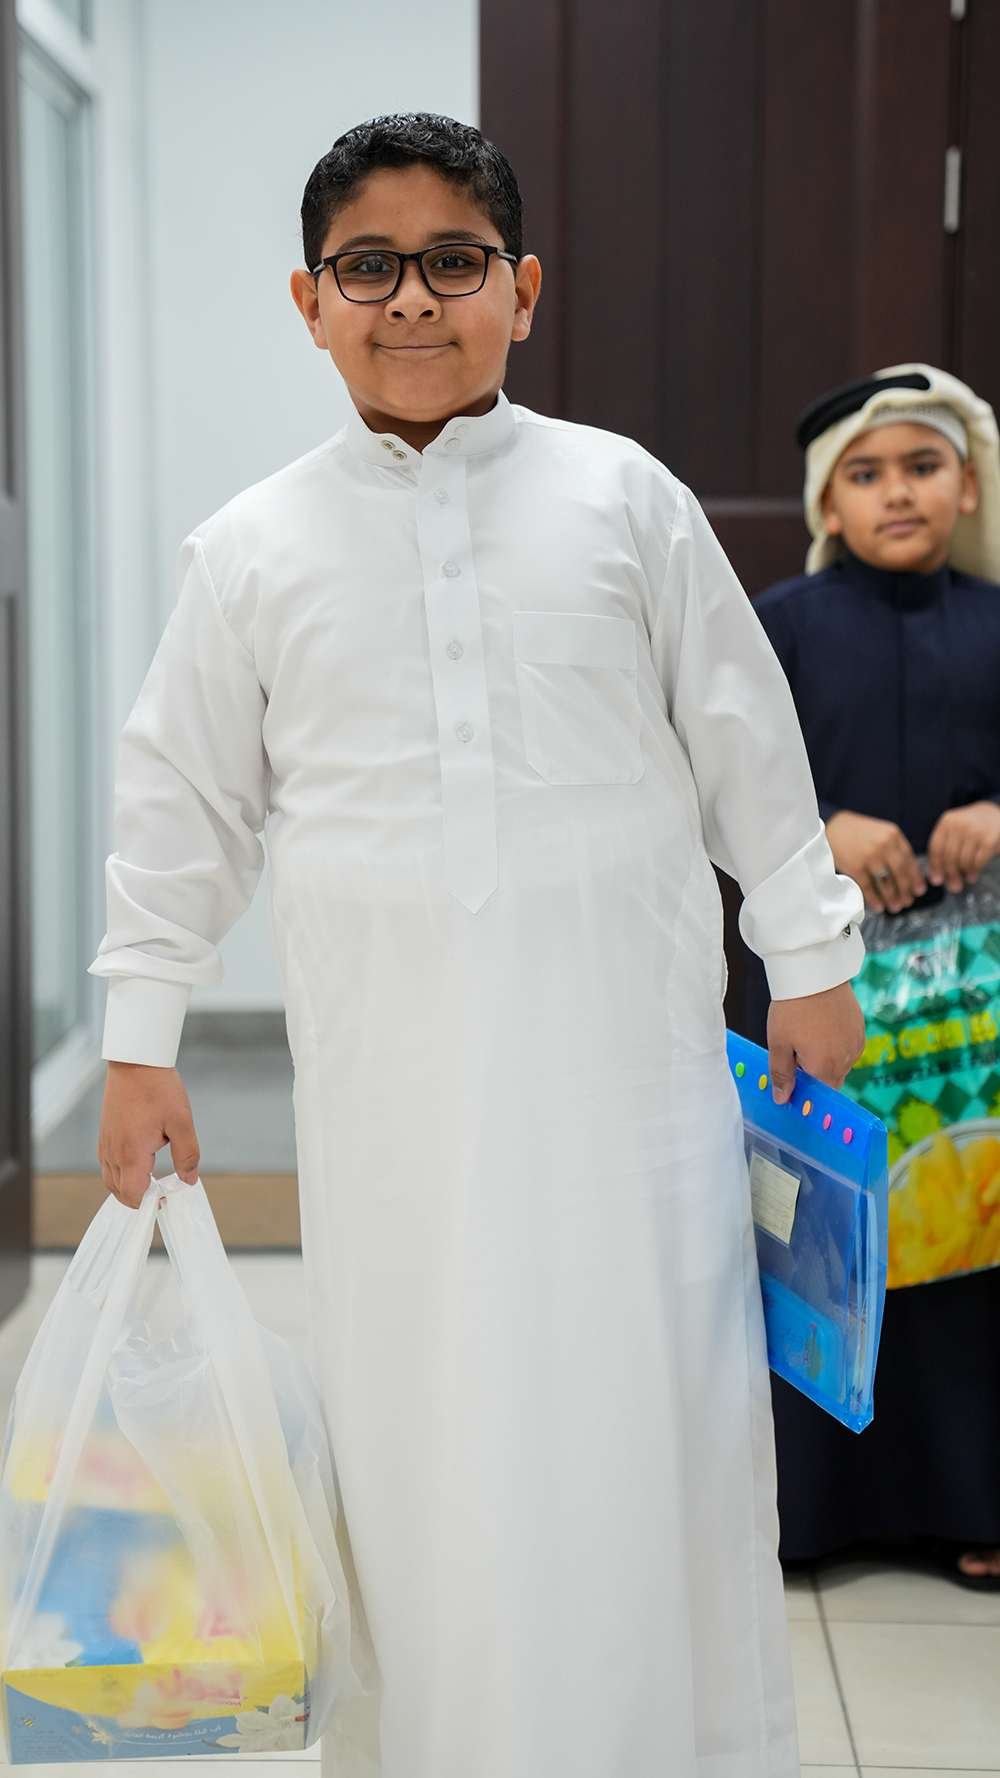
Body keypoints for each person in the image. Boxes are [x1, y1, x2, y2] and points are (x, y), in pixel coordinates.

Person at [90, 113, 865, 1778]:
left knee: (646, 1411)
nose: (413, 300)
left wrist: (810, 955)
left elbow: (744, 738)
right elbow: (181, 807)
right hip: (398, 1099)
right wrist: (141, 1039)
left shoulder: (624, 498)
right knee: (423, 1428)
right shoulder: (250, 547)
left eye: (454, 261)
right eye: (369, 265)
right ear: (308, 301)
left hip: (629, 1082)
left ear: (524, 288)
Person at [741, 363, 1000, 1588]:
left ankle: (975, 1498)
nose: (896, 491)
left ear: (967, 486)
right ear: (826, 502)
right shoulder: (779, 627)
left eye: (921, 466)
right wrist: (825, 829)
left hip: (972, 1026)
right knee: (820, 1229)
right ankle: (809, 1513)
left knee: (973, 1239)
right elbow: (720, 779)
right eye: (866, 472)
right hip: (824, 998)